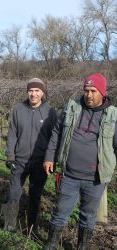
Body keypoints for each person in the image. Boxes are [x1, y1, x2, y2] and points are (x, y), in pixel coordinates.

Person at [44, 73, 117, 250]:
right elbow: (56, 133)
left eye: (93, 91)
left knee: (88, 215)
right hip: (69, 174)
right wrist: (49, 157)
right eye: (86, 90)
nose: (89, 95)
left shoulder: (113, 115)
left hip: (96, 178)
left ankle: (82, 246)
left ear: (102, 92)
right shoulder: (72, 107)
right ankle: (51, 244)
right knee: (60, 212)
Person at [2, 78, 57, 235]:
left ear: (42, 93)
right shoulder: (18, 110)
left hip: (40, 162)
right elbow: (12, 134)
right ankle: (9, 225)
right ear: (27, 92)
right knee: (13, 194)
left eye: (37, 91)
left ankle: (31, 228)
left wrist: (52, 159)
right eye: (31, 90)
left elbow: (55, 138)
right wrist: (10, 156)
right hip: (19, 161)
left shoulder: (50, 112)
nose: (33, 94)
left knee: (35, 196)